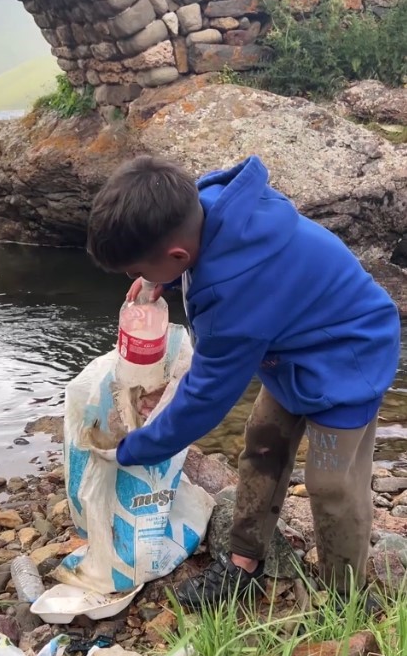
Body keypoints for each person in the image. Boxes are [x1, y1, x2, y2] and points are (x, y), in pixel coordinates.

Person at [86, 154, 401, 610]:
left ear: (177, 256)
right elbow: (203, 263)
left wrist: (136, 447)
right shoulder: (208, 210)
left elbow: (205, 398)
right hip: (291, 347)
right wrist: (162, 284)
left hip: (351, 357)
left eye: (139, 271)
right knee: (261, 444)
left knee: (332, 484)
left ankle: (345, 598)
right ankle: (244, 563)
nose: (137, 280)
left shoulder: (234, 298)